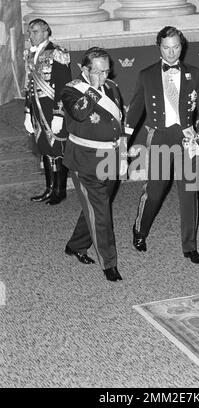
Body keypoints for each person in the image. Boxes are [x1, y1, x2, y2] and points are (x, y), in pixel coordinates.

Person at [124, 26, 199, 264]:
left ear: (182, 46)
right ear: (159, 47)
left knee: (189, 194)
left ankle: (190, 246)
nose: (171, 52)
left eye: (176, 47)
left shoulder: (194, 74)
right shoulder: (146, 75)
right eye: (166, 47)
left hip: (187, 138)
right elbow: (134, 112)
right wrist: (122, 142)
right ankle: (140, 230)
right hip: (160, 138)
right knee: (155, 192)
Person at [61, 47, 123, 281]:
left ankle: (76, 245)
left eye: (106, 71)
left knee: (98, 205)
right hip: (85, 160)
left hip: (111, 157)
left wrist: (123, 154)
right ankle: (109, 263)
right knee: (101, 213)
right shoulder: (71, 91)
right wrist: (94, 90)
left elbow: (119, 122)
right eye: (98, 72)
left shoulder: (113, 87)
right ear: (84, 69)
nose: (104, 77)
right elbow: (78, 113)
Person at [24, 18, 71, 205]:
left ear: (46, 32)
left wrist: (59, 114)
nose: (31, 36)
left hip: (52, 110)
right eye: (29, 32)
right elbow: (30, 86)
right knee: (44, 148)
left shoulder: (57, 53)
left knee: (57, 149)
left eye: (35, 31)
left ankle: (60, 190)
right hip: (37, 109)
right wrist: (27, 112)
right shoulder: (30, 54)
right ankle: (49, 189)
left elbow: (63, 87)